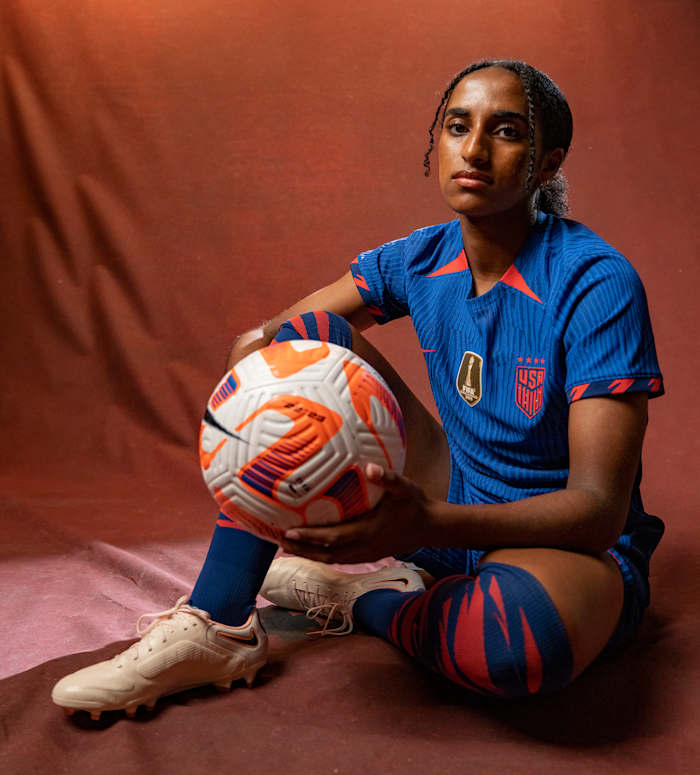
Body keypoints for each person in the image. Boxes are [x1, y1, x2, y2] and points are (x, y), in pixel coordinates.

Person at [52, 59, 664, 716]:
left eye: (507, 131)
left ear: (547, 163)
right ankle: (219, 623)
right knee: (303, 342)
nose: (476, 149)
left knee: (518, 642)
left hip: (564, 547)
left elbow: (598, 510)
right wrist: (260, 392)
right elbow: (272, 339)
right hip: (447, 497)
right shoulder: (422, 258)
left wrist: (428, 523)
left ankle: (363, 599)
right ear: (436, 144)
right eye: (458, 126)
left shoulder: (596, 282)